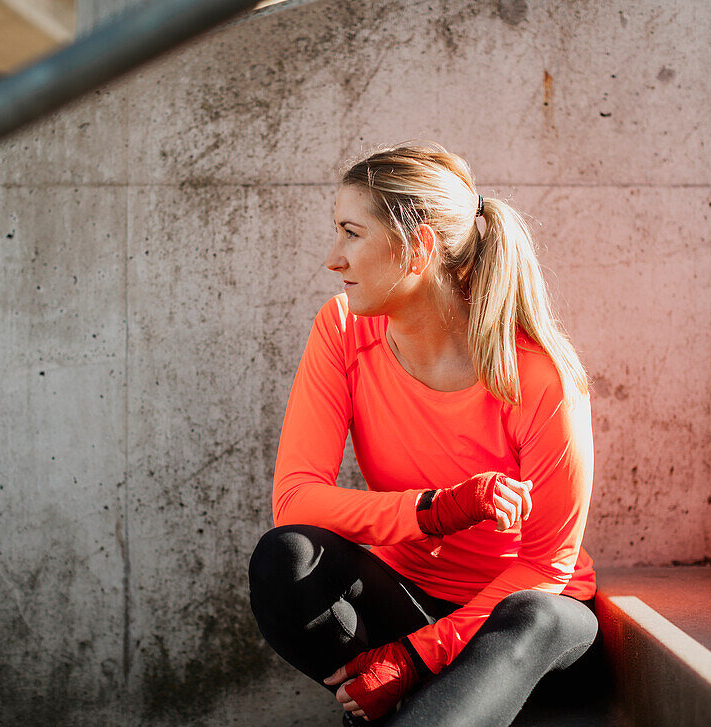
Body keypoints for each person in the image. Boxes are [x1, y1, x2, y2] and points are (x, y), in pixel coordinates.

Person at [248, 142, 598, 726]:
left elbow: (546, 562)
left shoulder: (540, 375)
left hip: (512, 620)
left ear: (418, 249)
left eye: (351, 233)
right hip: (406, 598)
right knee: (287, 557)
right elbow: (294, 500)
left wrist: (413, 659)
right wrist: (433, 512)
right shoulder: (340, 330)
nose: (334, 259)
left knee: (538, 615)